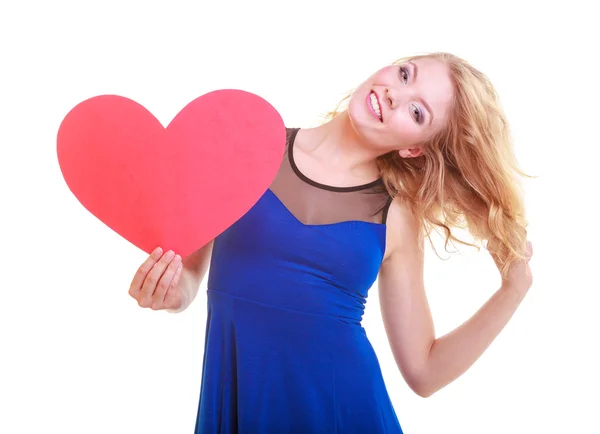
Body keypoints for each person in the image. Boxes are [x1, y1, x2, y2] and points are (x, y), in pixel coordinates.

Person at [128, 52, 534, 433]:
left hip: (342, 413)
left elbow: (424, 372)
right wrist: (170, 290)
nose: (395, 93)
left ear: (413, 148)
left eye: (416, 111)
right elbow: (189, 280)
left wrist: (513, 290)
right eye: (405, 74)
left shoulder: (395, 214)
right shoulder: (248, 149)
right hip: (242, 404)